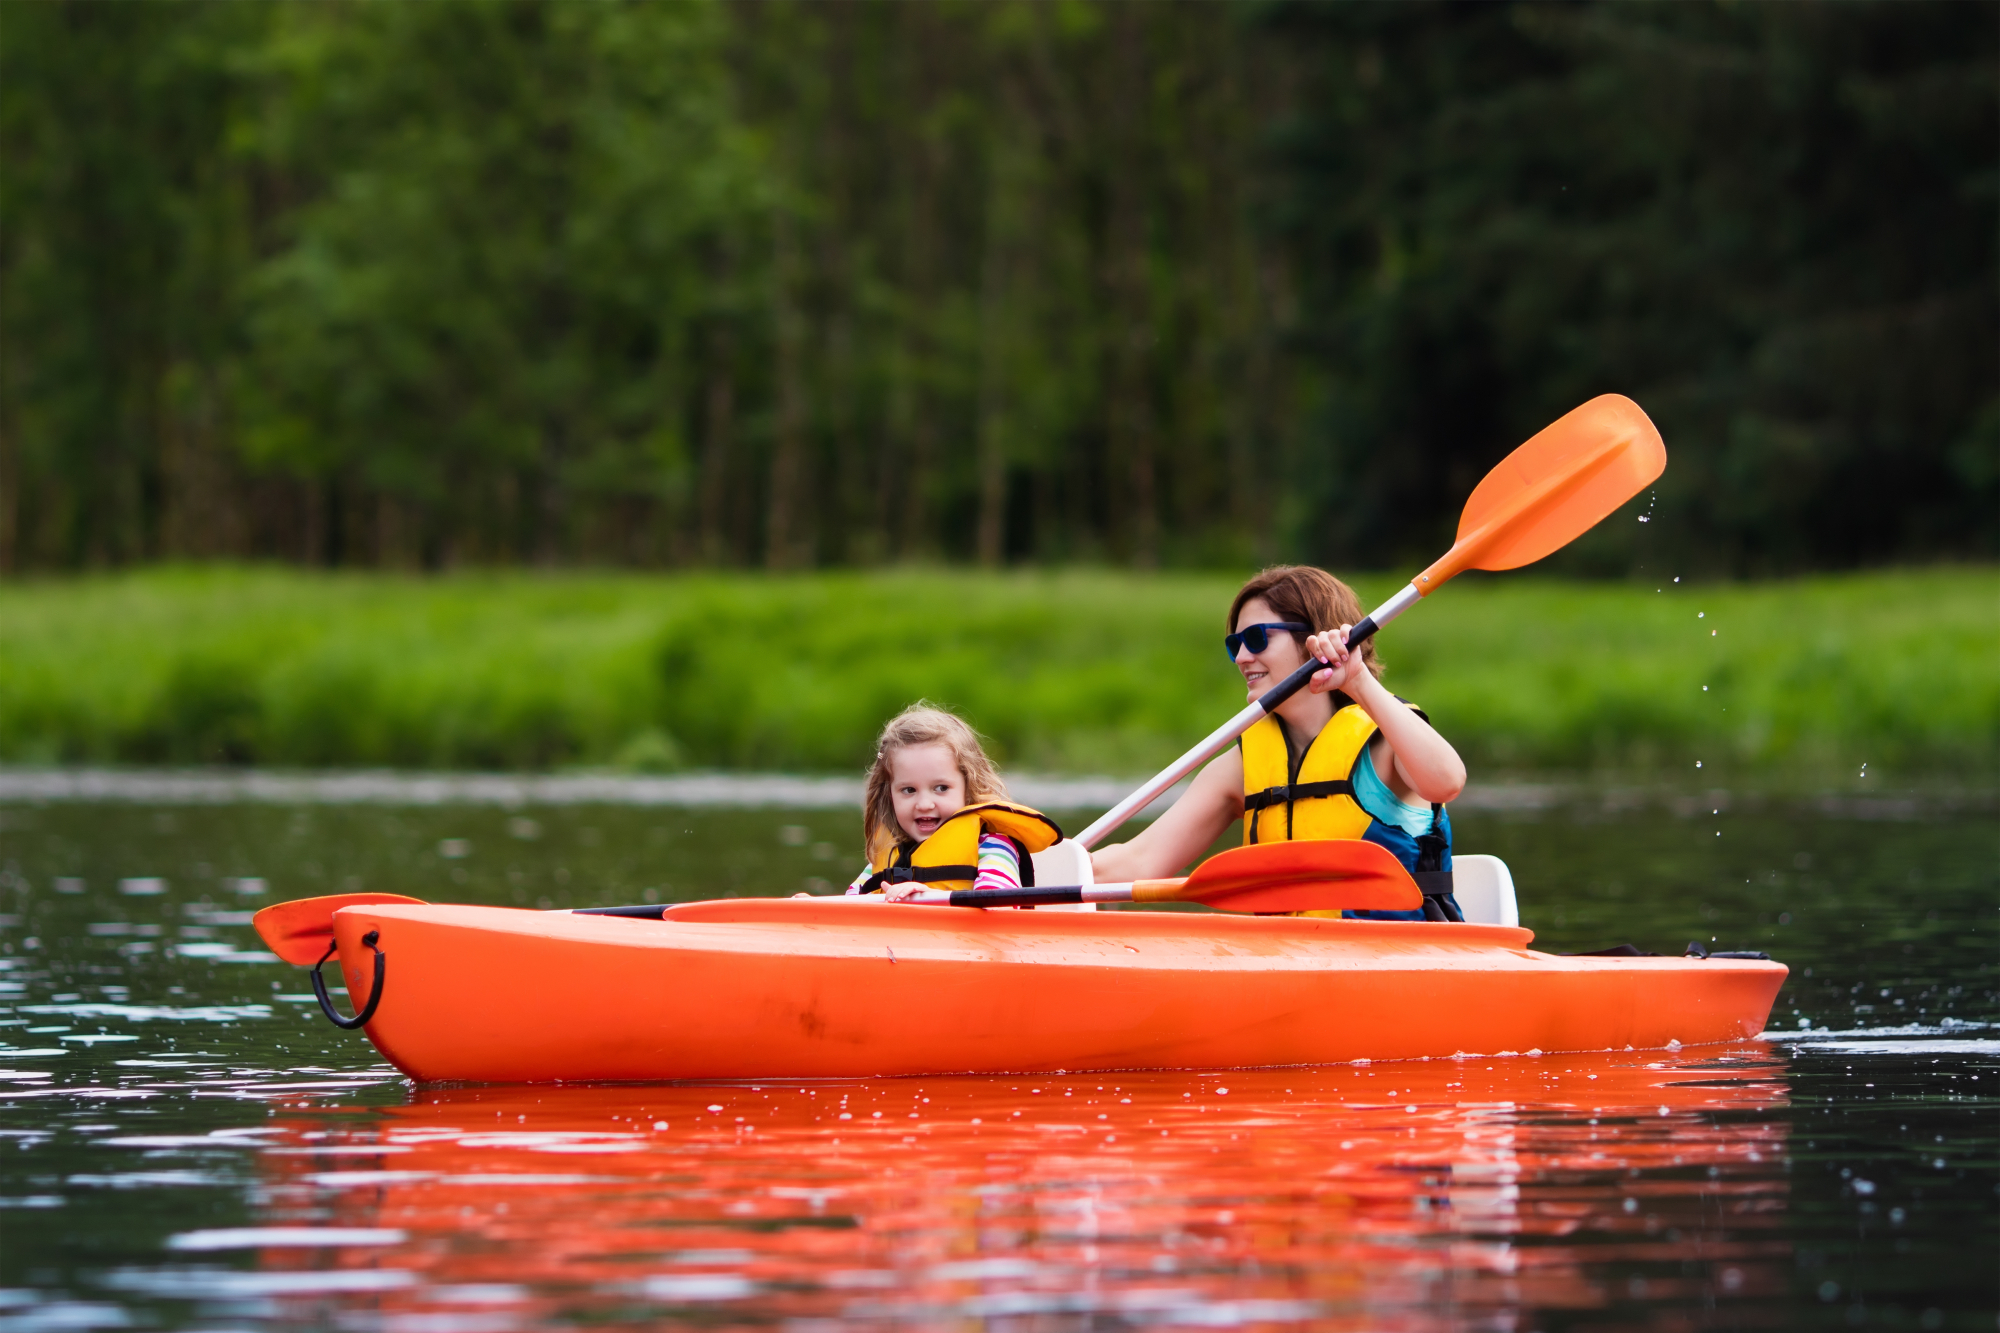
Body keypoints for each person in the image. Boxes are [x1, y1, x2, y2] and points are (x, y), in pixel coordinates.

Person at [1090, 565, 1467, 920]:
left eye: (1257, 639)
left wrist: (1358, 681)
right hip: (1288, 962)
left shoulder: (1385, 742)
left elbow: (1446, 782)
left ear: (1314, 638)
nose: (1241, 657)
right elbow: (1138, 861)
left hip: (1398, 965)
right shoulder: (1241, 767)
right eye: (1234, 643)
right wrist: (1041, 863)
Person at [845, 703, 1062, 902]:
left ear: (969, 786)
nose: (924, 804)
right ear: (888, 793)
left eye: (941, 788)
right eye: (909, 790)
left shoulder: (993, 847)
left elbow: (1000, 909)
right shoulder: (887, 853)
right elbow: (846, 907)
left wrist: (931, 897)